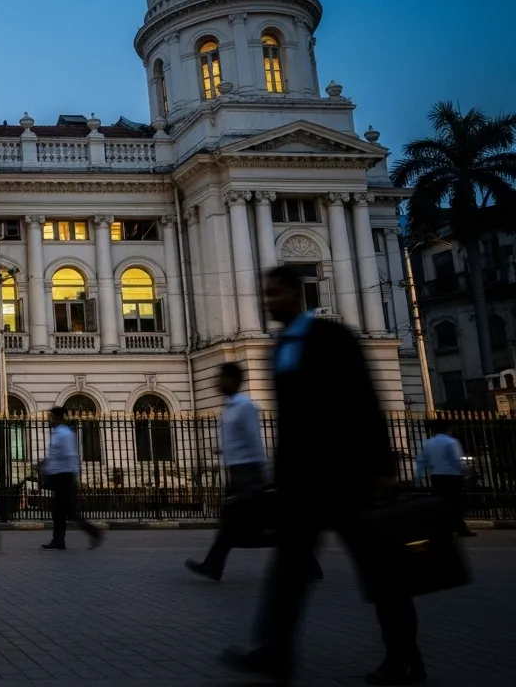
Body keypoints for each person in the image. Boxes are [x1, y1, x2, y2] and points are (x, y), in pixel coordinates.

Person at [223, 265, 423, 686]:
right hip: (303, 485)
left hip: (349, 478)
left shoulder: (334, 338)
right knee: (288, 572)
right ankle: (276, 652)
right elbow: (288, 424)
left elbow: (367, 403)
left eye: (274, 293)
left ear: (297, 294)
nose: (267, 301)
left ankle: (405, 656)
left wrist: (384, 469)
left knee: (380, 573)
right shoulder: (276, 350)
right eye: (266, 293)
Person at [187, 363, 322, 581]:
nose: (217, 382)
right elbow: (237, 439)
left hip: (249, 471)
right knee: (241, 520)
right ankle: (213, 565)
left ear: (234, 381)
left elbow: (254, 439)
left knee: (254, 521)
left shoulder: (245, 406)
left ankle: (213, 565)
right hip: (237, 470)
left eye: (222, 378)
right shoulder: (229, 406)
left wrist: (265, 474)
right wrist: (222, 449)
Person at [39, 406, 103, 551]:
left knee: (68, 511)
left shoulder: (64, 434)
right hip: (60, 476)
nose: (50, 419)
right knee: (58, 511)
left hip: (65, 476)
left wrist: (51, 464)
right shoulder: (58, 433)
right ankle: (58, 541)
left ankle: (94, 533)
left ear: (58, 417)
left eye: (51, 416)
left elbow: (69, 454)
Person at [418, 421, 477, 538]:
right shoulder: (451, 442)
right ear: (448, 430)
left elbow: (423, 460)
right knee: (455, 503)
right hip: (452, 476)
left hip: (436, 476)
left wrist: (419, 476)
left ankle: (444, 529)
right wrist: (465, 472)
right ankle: (460, 529)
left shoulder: (429, 442)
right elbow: (457, 460)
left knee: (441, 503)